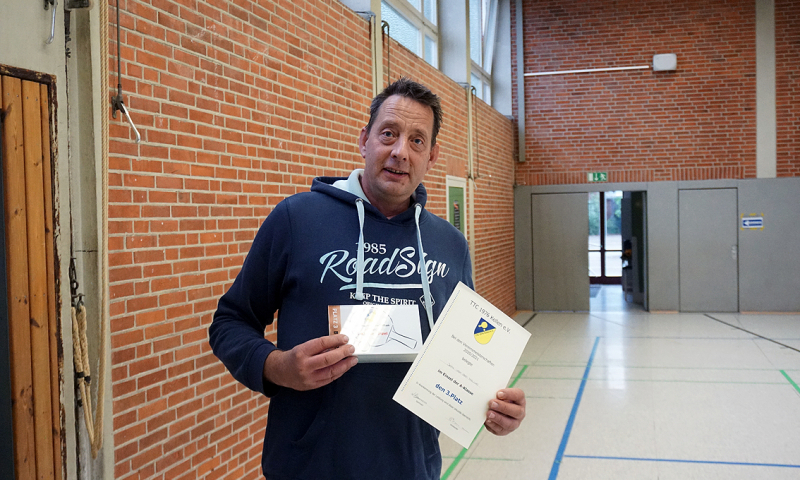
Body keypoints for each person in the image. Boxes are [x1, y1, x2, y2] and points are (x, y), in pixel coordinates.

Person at [209, 78, 526, 480]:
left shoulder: (450, 245)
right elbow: (230, 322)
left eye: (416, 140)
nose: (400, 152)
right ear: (364, 140)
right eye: (388, 133)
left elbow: (469, 350)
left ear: (431, 156)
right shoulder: (296, 219)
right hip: (306, 468)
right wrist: (276, 366)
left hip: (410, 469)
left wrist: (495, 405)